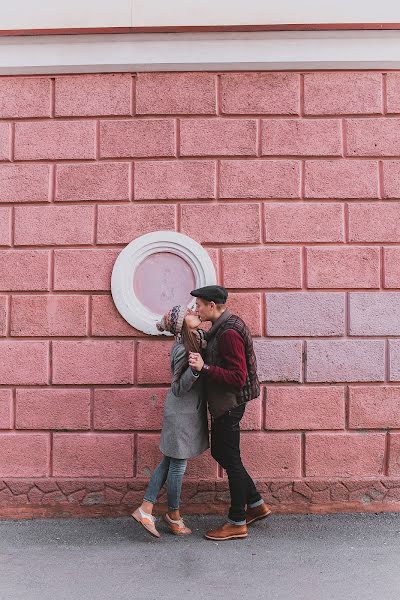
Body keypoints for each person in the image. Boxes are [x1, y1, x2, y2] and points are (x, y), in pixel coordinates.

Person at [189, 285, 271, 541]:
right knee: (221, 452)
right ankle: (255, 505)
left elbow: (237, 377)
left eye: (200, 305)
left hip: (230, 403)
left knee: (231, 460)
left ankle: (237, 520)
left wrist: (205, 368)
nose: (196, 309)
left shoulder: (229, 333)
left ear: (212, 306)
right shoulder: (221, 327)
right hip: (226, 403)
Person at [132, 305, 209, 538]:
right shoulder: (180, 349)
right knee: (177, 465)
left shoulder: (194, 340)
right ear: (181, 324)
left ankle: (146, 509)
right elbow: (177, 387)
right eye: (188, 313)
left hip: (187, 413)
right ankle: (173, 516)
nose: (194, 312)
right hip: (180, 414)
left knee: (168, 461)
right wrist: (194, 371)